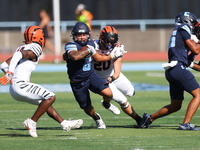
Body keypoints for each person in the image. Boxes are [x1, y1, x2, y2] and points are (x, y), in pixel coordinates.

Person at [0, 25, 83, 137]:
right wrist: (10, 73)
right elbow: (18, 55)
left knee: (44, 103)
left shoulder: (21, 47)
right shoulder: (35, 47)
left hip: (14, 89)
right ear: (38, 37)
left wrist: (9, 75)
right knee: (50, 97)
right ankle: (32, 122)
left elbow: (4, 65)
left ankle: (64, 123)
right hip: (21, 85)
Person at [140, 11, 200, 130]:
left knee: (176, 105)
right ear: (187, 21)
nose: (193, 27)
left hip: (173, 69)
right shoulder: (183, 28)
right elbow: (196, 50)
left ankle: (149, 118)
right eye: (192, 23)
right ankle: (185, 124)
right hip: (178, 68)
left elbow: (189, 59)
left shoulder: (179, 32)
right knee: (198, 94)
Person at [62, 22, 126, 129]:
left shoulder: (91, 44)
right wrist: (88, 50)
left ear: (88, 34)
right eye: (79, 35)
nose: (82, 37)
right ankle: (97, 118)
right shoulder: (71, 45)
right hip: (77, 82)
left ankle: (107, 104)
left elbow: (99, 57)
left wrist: (114, 53)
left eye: (84, 35)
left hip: (91, 76)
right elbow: (75, 57)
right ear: (74, 35)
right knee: (86, 107)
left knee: (109, 93)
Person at [92, 26, 142, 126]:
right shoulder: (92, 45)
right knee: (122, 101)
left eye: (112, 41)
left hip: (111, 74)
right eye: (107, 41)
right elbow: (97, 58)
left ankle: (106, 103)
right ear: (101, 39)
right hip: (99, 78)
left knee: (130, 92)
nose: (109, 44)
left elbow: (117, 71)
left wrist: (113, 77)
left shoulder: (118, 47)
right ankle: (139, 120)